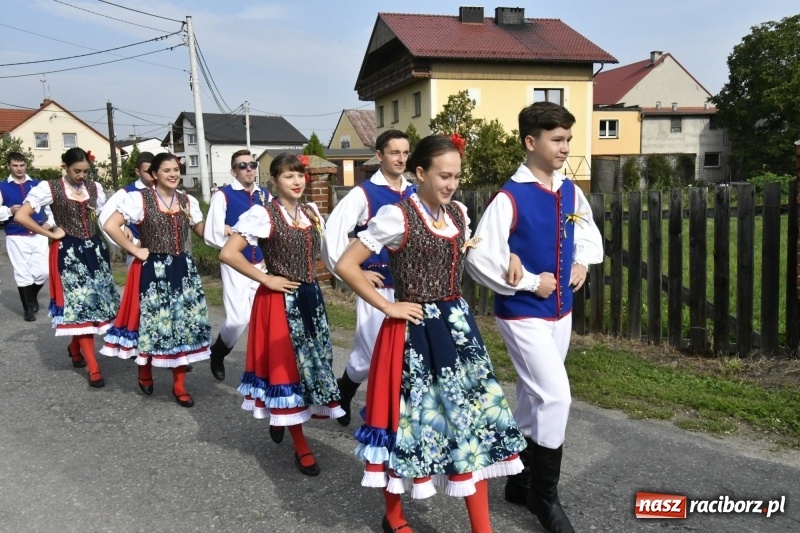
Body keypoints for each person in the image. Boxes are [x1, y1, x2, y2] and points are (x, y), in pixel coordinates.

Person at [335, 135, 525, 533]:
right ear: (420, 173)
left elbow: (470, 254)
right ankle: (394, 516)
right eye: (444, 175)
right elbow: (347, 264)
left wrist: (511, 255)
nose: (452, 183)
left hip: (457, 329)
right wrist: (387, 306)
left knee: (471, 422)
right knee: (405, 423)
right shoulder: (396, 215)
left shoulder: (457, 212)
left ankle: (482, 528)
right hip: (413, 333)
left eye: (456, 175)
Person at [465, 102, 603, 533]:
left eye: (567, 139)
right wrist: (527, 282)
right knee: (556, 396)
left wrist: (581, 261)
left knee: (532, 393)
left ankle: (520, 481)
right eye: (557, 140)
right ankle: (545, 497)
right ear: (531, 142)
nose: (565, 148)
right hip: (523, 314)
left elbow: (585, 230)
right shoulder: (510, 197)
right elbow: (480, 259)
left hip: (561, 311)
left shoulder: (570, 191)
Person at [219, 153, 343, 477]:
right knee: (287, 371)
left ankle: (282, 417)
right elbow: (228, 253)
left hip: (310, 299)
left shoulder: (312, 211)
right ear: (274, 181)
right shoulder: (263, 213)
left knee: (309, 368)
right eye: (289, 176)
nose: (298, 181)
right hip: (279, 301)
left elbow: (327, 255)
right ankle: (301, 444)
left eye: (300, 174)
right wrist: (266, 277)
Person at [100, 153, 211, 407]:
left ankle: (180, 385)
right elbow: (110, 225)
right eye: (166, 170)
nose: (173, 174)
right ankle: (145, 370)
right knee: (153, 322)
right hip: (153, 269)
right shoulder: (139, 199)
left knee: (182, 323)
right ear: (154, 175)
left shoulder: (187, 201)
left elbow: (201, 230)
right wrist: (134, 249)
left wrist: (224, 232)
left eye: (175, 169)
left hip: (182, 269)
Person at [322, 130, 414, 426]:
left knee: (405, 357)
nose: (401, 158)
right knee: (371, 353)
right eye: (394, 152)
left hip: (410, 289)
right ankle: (345, 391)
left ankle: (398, 421)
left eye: (405, 152)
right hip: (378, 289)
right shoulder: (364, 193)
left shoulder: (413, 191)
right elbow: (333, 234)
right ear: (379, 156)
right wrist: (353, 272)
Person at [14, 147, 120, 388]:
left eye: (85, 171)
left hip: (94, 250)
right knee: (80, 307)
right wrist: (50, 232)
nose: (82, 176)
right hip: (69, 252)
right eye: (77, 171)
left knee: (96, 306)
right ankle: (93, 367)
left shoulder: (94, 188)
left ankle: (74, 347)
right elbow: (22, 215)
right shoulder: (49, 188)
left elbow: (104, 218)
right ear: (65, 167)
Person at [204, 150, 272, 381]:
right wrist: (231, 241)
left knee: (262, 318)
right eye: (242, 166)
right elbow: (211, 234)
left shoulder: (265, 194)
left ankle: (260, 368)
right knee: (238, 319)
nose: (249, 169)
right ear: (233, 171)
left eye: (252, 164)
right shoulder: (223, 196)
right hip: (235, 265)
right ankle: (218, 352)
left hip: (261, 264)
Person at [0, 152, 54, 321]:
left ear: (26, 165)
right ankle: (28, 308)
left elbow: (50, 208)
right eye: (15, 165)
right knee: (22, 271)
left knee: (43, 272)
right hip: (16, 234)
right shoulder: (2, 186)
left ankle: (30, 296)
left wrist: (50, 223)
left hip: (38, 233)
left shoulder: (38, 185)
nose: (19, 169)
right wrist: (9, 211)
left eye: (21, 165)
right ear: (9, 166)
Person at [98, 151, 154, 269]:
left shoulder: (162, 190)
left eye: (153, 170)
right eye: (147, 172)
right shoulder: (127, 192)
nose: (152, 175)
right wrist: (131, 243)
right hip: (138, 254)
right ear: (137, 171)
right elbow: (104, 219)